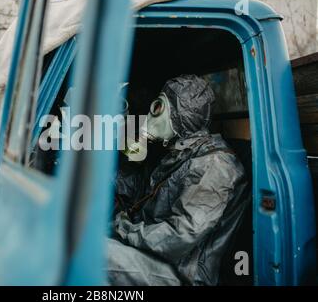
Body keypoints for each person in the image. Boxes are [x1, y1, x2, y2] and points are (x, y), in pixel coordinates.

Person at [107, 74, 249, 286]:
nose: (151, 113)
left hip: (184, 273)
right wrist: (114, 175)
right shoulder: (179, 152)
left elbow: (182, 234)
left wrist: (124, 229)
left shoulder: (215, 165)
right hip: (156, 255)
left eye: (158, 107)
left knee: (96, 253)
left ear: (180, 114)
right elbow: (141, 191)